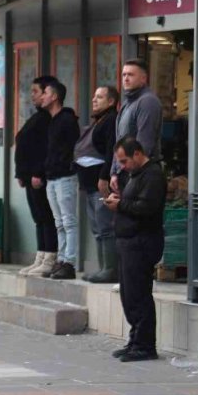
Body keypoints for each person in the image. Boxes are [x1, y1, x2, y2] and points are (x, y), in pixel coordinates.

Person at [103, 137, 166, 362]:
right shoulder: (134, 175)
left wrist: (120, 205)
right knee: (129, 294)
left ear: (138, 154)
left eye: (125, 161)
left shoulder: (153, 175)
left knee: (139, 294)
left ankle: (145, 344)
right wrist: (119, 201)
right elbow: (133, 203)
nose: (123, 166)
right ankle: (135, 339)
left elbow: (146, 207)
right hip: (128, 241)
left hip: (142, 242)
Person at [15, 75, 59, 277]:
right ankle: (40, 255)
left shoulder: (47, 120)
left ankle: (50, 257)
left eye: (36, 92)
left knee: (46, 216)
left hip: (38, 176)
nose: (32, 96)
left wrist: (37, 173)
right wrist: (21, 173)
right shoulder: (37, 117)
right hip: (28, 176)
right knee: (38, 217)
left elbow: (44, 149)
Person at [76, 86, 120, 283]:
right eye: (94, 96)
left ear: (111, 101)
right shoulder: (98, 121)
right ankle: (103, 267)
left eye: (99, 97)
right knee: (97, 227)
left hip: (100, 184)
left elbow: (111, 152)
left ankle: (110, 269)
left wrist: (104, 176)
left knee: (105, 227)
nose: (94, 100)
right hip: (89, 184)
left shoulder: (110, 121)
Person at [39, 79, 80, 280]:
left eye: (45, 93)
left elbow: (71, 148)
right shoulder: (52, 121)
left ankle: (69, 262)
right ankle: (61, 259)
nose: (42, 96)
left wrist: (64, 164)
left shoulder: (67, 120)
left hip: (65, 176)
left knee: (68, 221)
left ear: (55, 96)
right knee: (59, 222)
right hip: (53, 177)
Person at [111, 59, 163, 195]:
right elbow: (119, 141)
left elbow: (144, 144)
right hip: (125, 171)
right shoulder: (127, 103)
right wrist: (114, 172)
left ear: (143, 78)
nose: (126, 79)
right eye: (124, 75)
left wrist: (132, 175)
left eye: (130, 75)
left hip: (139, 173)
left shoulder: (147, 102)